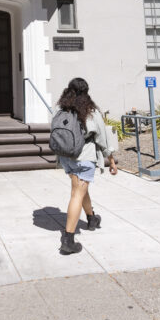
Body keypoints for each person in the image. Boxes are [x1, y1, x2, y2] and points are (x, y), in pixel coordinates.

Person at [57, 77, 113, 255]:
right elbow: (102, 138)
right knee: (76, 194)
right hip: (85, 156)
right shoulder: (91, 111)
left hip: (67, 156)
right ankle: (68, 239)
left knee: (81, 189)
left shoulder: (63, 109)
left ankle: (91, 218)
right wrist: (110, 160)